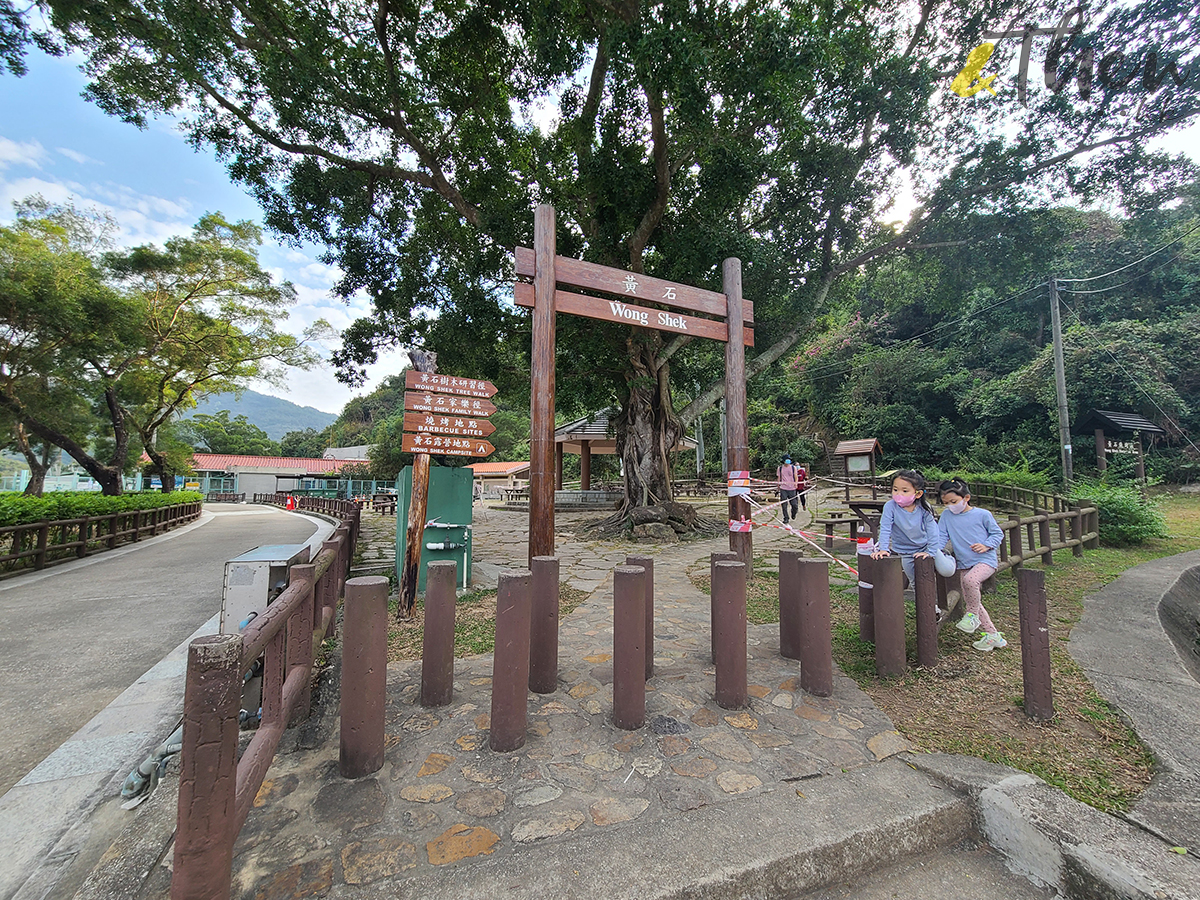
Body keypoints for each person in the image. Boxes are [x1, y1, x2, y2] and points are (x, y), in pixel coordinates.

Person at [937, 478, 1007, 651]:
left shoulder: (983, 514)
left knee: (970, 582)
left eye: (953, 502)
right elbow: (941, 537)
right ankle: (992, 635)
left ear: (966, 497)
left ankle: (972, 616)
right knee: (971, 598)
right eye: (946, 503)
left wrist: (986, 545)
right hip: (965, 563)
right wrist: (935, 552)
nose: (950, 506)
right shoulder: (946, 516)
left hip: (985, 560)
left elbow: (997, 534)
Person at [870, 469, 956, 585]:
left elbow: (933, 530)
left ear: (918, 494)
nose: (898, 494)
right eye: (895, 490)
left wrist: (930, 551)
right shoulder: (890, 506)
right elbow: (885, 528)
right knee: (915, 582)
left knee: (947, 571)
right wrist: (883, 549)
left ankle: (947, 556)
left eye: (905, 491)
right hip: (905, 551)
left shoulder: (924, 508)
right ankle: (927, 603)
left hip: (925, 546)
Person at [777, 454, 802, 525]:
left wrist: (796, 483)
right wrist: (778, 485)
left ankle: (793, 513)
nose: (788, 460)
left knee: (794, 504)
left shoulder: (793, 468)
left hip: (792, 488)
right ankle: (786, 518)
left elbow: (796, 476)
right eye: (787, 459)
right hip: (783, 488)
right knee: (784, 504)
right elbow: (779, 477)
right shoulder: (780, 468)